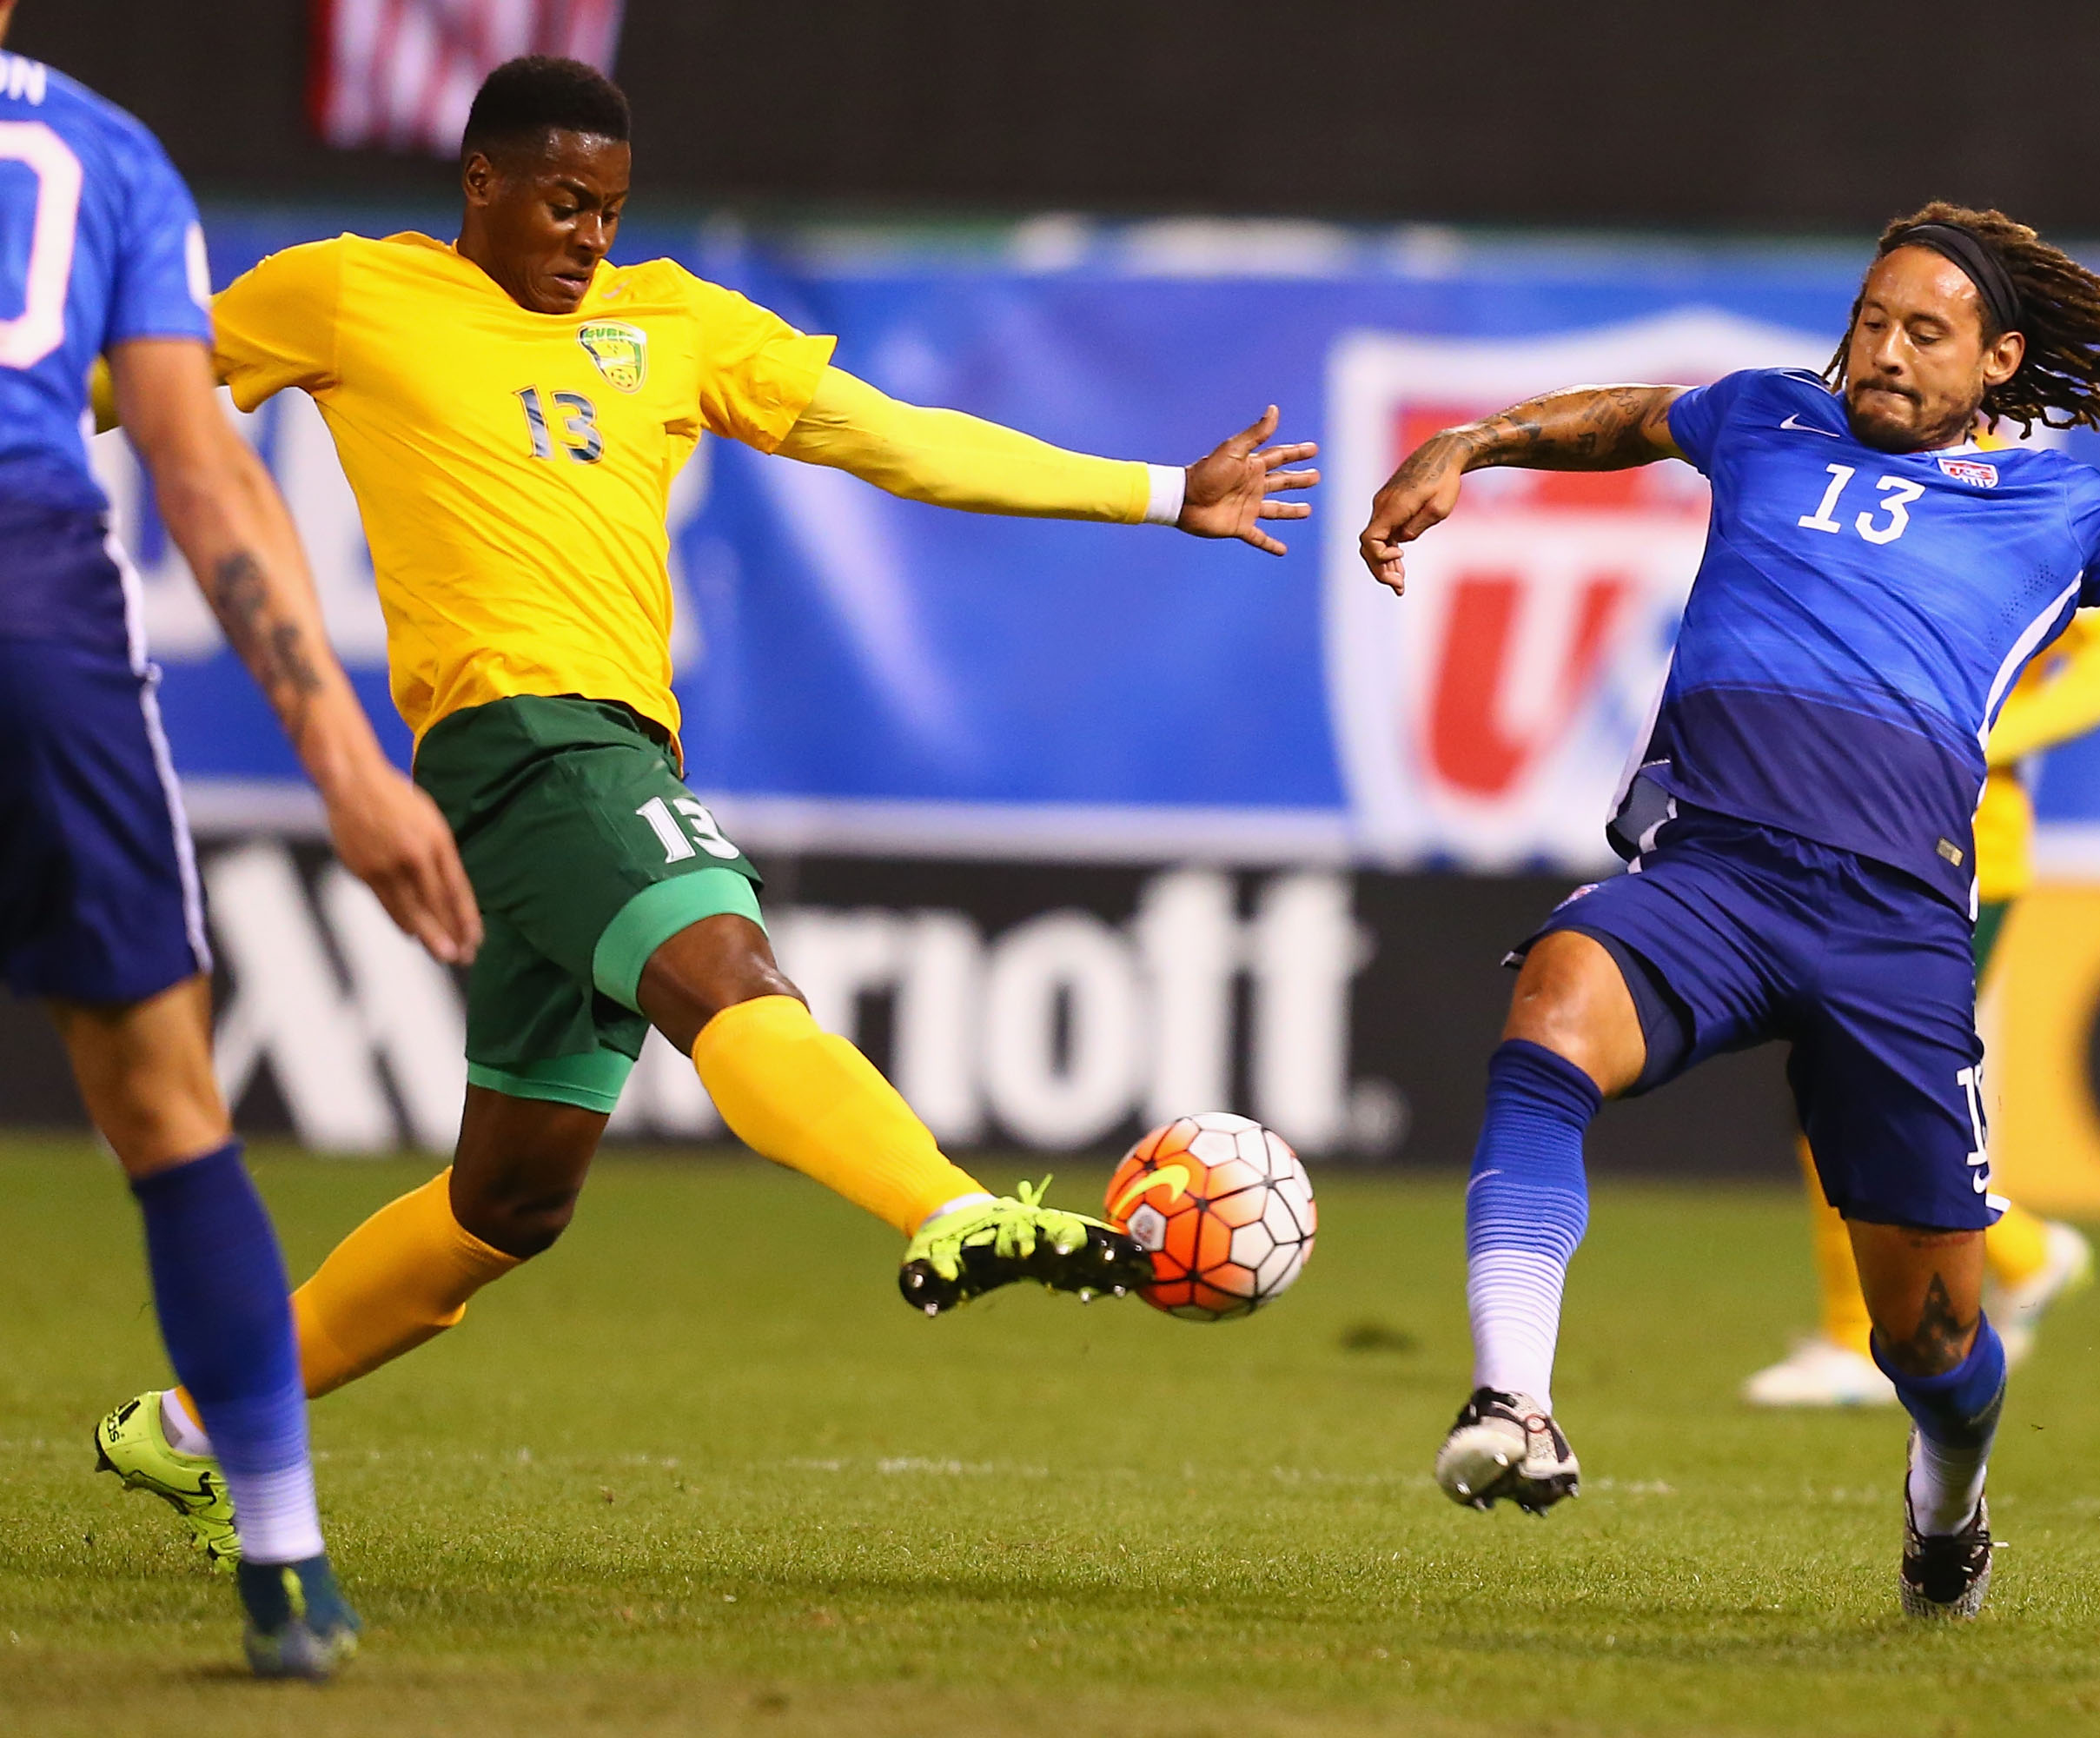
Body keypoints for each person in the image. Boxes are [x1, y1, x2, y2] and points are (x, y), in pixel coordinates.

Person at [96, 54, 1316, 1565]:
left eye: (608, 208)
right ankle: (945, 1208)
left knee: (511, 1203)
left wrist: (1155, 491)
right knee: (733, 976)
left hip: (616, 755)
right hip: (526, 747)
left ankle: (192, 1425)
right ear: (480, 182)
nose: (588, 235)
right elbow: (113, 383)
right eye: (559, 202)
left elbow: (895, 437)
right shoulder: (346, 294)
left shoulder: (674, 320)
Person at [1359, 196, 2100, 1617]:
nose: (1882, 352)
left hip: (1893, 934)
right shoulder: (1766, 418)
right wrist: (1471, 443)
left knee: (1933, 1339)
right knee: (1553, 1009)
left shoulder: (2060, 508)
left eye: (1924, 333)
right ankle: (1514, 1400)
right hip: (1715, 877)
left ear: (2001, 360)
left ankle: (1949, 1495)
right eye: (1871, 321)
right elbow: (1631, 417)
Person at [0, 4, 480, 1679]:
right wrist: (352, 768)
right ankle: (280, 1563)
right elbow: (202, 475)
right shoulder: (107, 156)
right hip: (31, 617)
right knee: (162, 1104)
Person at [1744, 606, 2100, 1406]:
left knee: (1867, 1091)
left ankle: (1865, 1333)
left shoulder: (2018, 511)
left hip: (1963, 859)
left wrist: (1987, 737)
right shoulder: (1852, 520)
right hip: (1854, 844)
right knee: (1841, 1087)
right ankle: (2020, 1254)